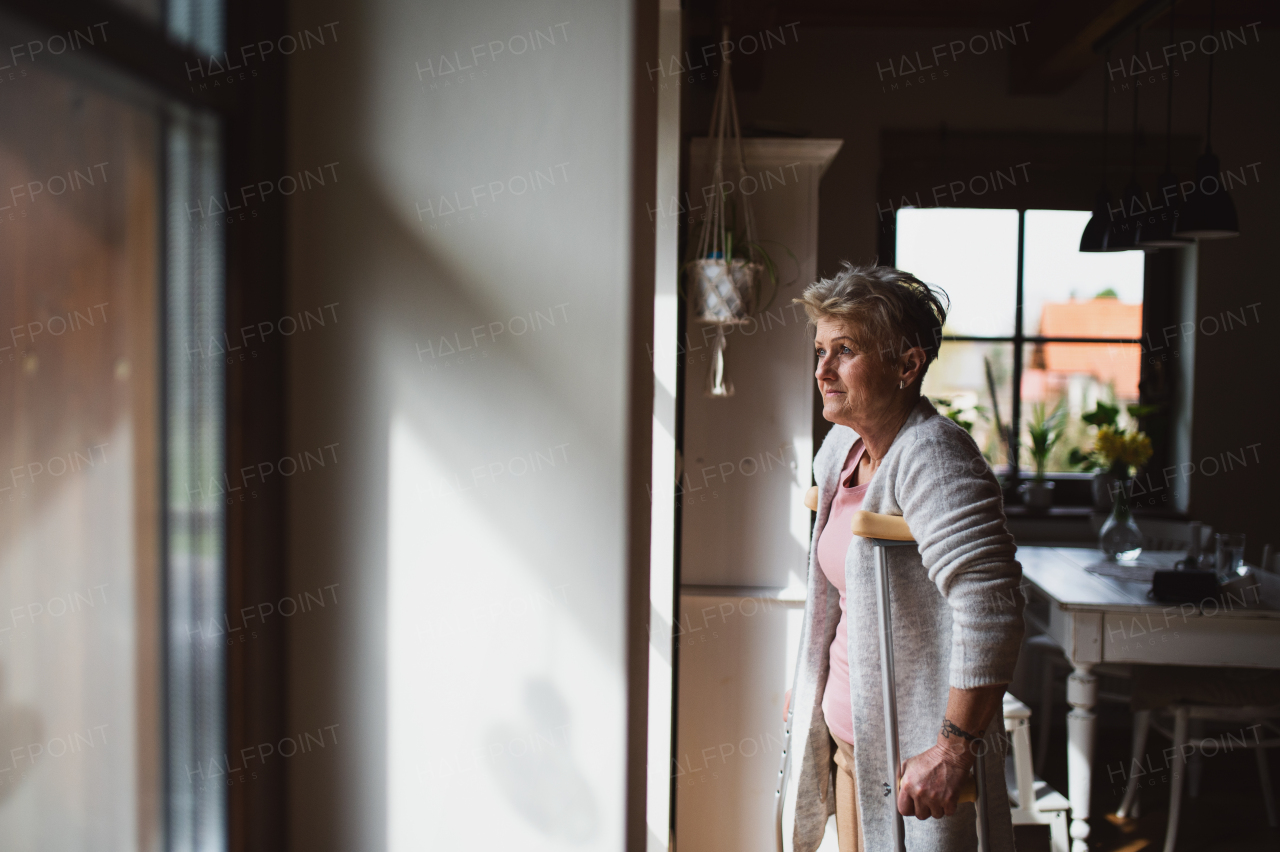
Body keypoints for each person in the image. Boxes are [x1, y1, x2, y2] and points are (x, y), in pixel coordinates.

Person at [782, 263, 1024, 852]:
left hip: (908, 763)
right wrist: (811, 683)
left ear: (907, 364)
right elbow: (844, 594)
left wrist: (950, 751)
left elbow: (992, 608)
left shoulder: (935, 458)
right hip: (851, 748)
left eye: (845, 350)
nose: (822, 370)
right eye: (819, 350)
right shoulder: (841, 448)